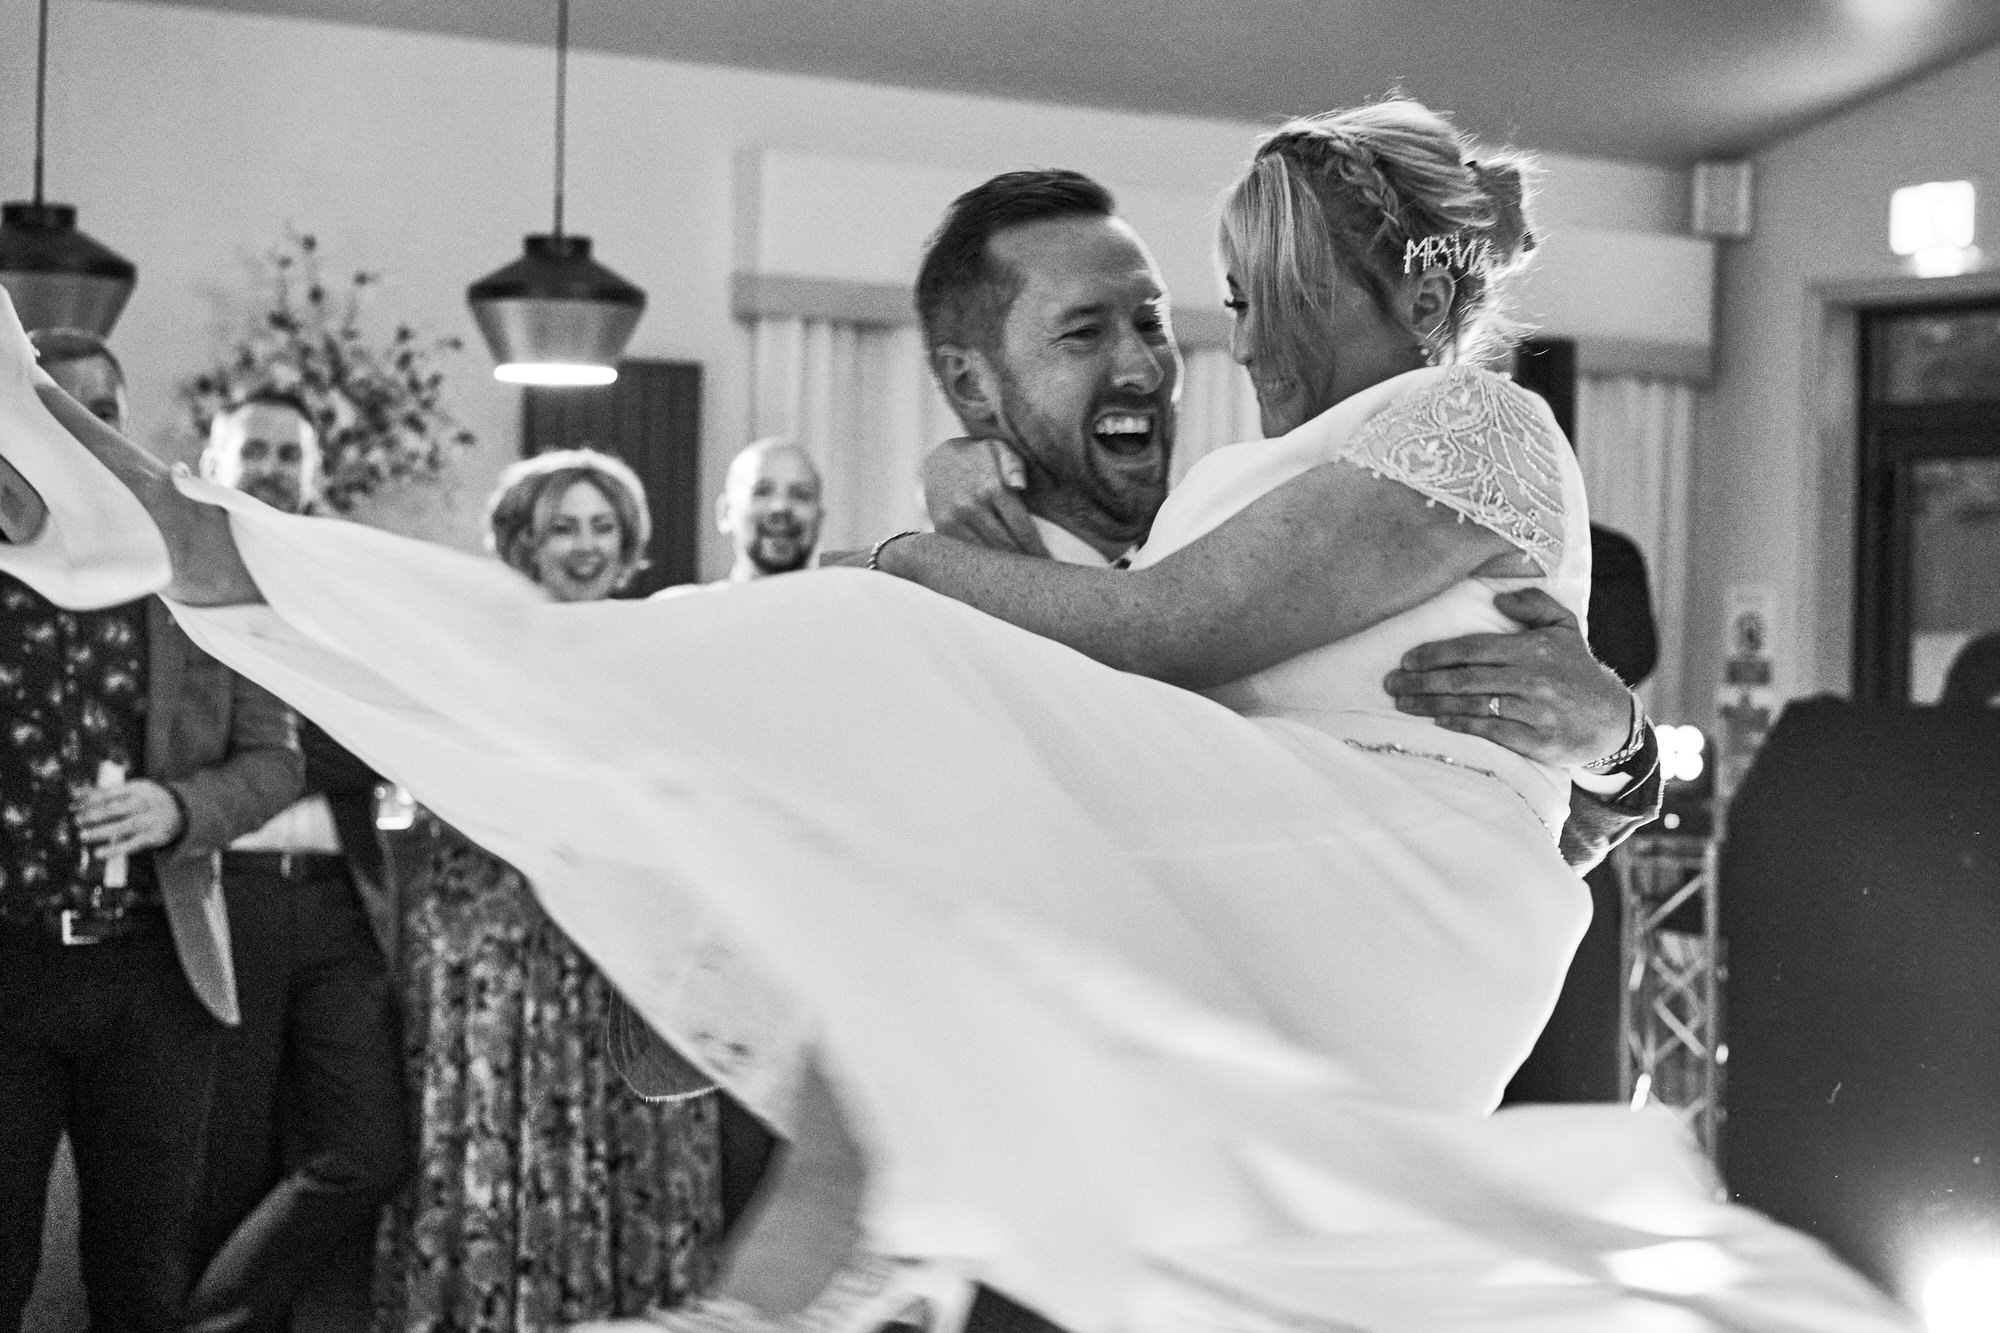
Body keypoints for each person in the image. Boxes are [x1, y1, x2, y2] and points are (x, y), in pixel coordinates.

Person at [0, 95, 1905, 1333]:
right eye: (1113, 328)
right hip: (1180, 1042)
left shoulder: (1432, 436)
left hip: (1357, 942)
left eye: (1205, 299)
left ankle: (221, 551)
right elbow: (720, 1029)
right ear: (975, 387)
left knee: (796, 635)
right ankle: (217, 552)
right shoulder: (1181, 514)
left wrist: (1623, 738)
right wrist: (754, 902)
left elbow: (1215, 647)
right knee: (736, 668)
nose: (1197, 337)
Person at [912, 170, 1661, 874]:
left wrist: (1618, 749)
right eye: (1081, 333)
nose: (1144, 369)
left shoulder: (1274, 531)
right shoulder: (935, 633)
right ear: (969, 383)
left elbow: (1491, 852)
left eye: (1151, 323)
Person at [373, 448, 723, 1333]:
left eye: (602, 527)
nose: (585, 546)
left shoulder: (660, 647)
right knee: (508, 1144)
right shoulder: (474, 648)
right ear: (523, 541)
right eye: (563, 526)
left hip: (624, 953)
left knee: (625, 1147)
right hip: (500, 946)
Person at [0, 329, 303, 1333]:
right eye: (56, 404)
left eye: (103, 407)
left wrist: (180, 808)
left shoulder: (191, 568)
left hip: (156, 970)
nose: (82, 426)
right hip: (11, 965)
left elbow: (275, 758)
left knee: (141, 1270)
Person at [184, 392, 411, 1333]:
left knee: (368, 1147)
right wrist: (291, 743)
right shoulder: (180, 577)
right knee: (223, 1163)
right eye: (256, 449)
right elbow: (176, 744)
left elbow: (389, 731)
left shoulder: (345, 585)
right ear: (215, 457)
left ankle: (211, 1320)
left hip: (332, 902)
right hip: (216, 896)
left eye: (291, 454)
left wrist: (258, 754)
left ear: (314, 475)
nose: (274, 466)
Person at [716, 438, 825, 583]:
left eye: (800, 495)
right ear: (724, 513)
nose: (781, 507)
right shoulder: (689, 605)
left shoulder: (854, 603)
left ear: (820, 518)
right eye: (762, 492)